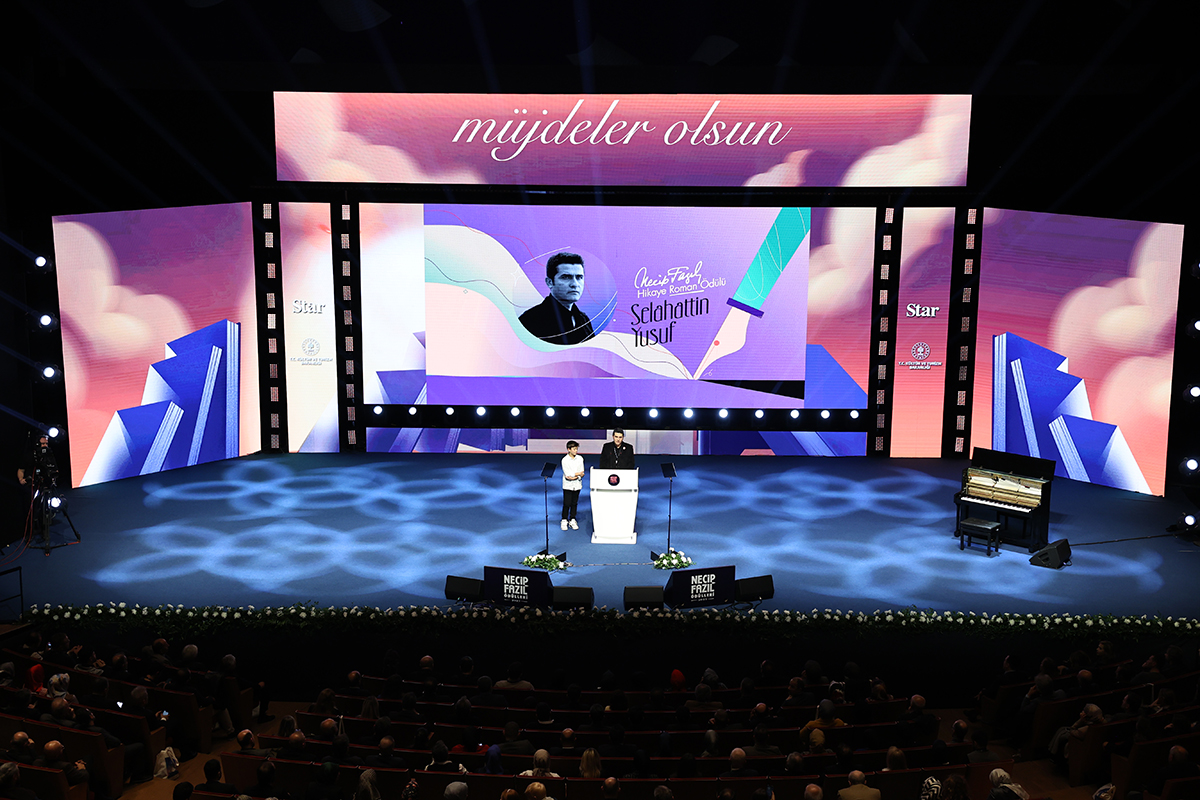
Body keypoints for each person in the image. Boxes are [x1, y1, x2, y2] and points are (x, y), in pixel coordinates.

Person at [518, 252, 596, 345]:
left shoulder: (584, 320)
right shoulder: (530, 320)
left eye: (579, 277)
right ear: (550, 282)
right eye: (566, 277)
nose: (575, 284)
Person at [561, 441, 585, 531]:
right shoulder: (564, 460)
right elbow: (568, 474)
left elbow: (582, 472)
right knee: (567, 503)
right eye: (574, 449)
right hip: (568, 485)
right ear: (569, 449)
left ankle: (572, 519)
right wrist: (577, 474)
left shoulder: (580, 458)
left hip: (577, 484)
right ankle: (564, 520)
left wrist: (575, 475)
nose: (576, 451)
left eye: (576, 449)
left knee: (574, 503)